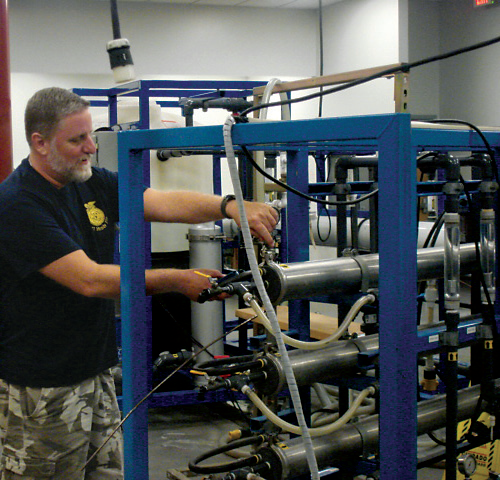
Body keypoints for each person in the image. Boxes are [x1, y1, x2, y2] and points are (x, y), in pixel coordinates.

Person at [0, 87, 278, 479]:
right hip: (41, 386)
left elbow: (159, 202)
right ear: (39, 143)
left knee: (106, 473)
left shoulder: (89, 182)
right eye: (77, 139)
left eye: (90, 135)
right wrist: (175, 280)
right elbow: (89, 280)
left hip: (94, 371)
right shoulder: (18, 204)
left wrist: (229, 206)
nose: (91, 148)